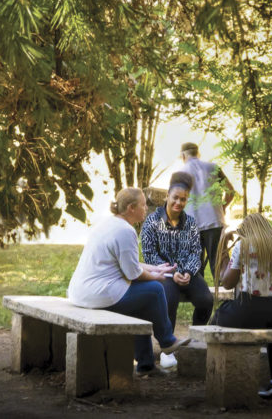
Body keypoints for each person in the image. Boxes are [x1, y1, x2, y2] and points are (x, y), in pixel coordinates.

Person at [66, 188, 190, 375]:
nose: (146, 208)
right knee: (155, 290)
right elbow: (133, 274)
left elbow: (128, 263)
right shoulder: (125, 231)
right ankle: (167, 342)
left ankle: (146, 365)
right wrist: (157, 277)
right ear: (131, 208)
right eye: (143, 205)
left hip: (82, 293)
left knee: (142, 301)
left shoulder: (110, 224)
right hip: (98, 295)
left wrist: (155, 268)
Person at [209, 213, 272, 399]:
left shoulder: (243, 246)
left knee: (220, 313)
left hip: (248, 312)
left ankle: (229, 375)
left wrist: (224, 247)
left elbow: (227, 283)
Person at [140, 172, 214, 370]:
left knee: (206, 300)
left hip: (189, 273)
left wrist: (189, 271)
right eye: (175, 198)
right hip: (163, 273)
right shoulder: (152, 222)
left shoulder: (190, 223)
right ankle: (167, 350)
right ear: (167, 196)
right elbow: (149, 254)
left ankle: (197, 340)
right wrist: (172, 273)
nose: (179, 203)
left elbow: (195, 251)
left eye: (183, 199)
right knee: (168, 298)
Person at [179, 142, 235, 277]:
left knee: (195, 267)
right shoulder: (213, 167)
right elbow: (230, 191)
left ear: (183, 155)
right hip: (214, 221)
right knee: (220, 265)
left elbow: (175, 201)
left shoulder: (180, 173)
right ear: (198, 153)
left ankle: (199, 296)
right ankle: (225, 295)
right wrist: (223, 206)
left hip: (191, 225)